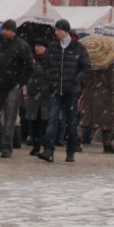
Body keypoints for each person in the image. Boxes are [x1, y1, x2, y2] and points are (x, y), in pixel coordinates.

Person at [36, 20, 90, 163]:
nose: (56, 32)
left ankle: (70, 151)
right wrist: (51, 79)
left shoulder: (78, 47)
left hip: (71, 90)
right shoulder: (53, 47)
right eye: (56, 30)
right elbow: (46, 65)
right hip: (55, 89)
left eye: (59, 30)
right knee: (52, 119)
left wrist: (76, 80)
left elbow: (86, 67)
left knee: (71, 122)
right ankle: (48, 150)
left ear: (66, 31)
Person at [0, 22, 32, 158]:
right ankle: (0, 138)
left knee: (10, 118)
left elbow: (28, 66)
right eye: (3, 29)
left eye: (7, 30)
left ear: (14, 31)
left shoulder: (22, 45)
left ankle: (6, 147)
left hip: (13, 86)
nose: (4, 32)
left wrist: (21, 82)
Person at [80, 44, 114, 155]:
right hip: (104, 93)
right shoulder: (109, 63)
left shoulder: (86, 61)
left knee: (86, 118)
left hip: (88, 91)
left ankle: (76, 141)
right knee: (107, 119)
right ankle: (107, 144)